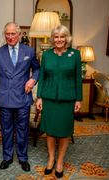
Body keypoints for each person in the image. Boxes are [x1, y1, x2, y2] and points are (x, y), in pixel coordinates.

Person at [0, 22, 40, 172]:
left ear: (19, 35)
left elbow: (38, 69)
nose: (10, 37)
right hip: (5, 97)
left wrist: (33, 80)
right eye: (8, 34)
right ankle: (7, 157)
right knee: (6, 129)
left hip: (23, 97)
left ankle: (23, 157)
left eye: (13, 34)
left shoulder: (29, 51)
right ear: (5, 35)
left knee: (22, 129)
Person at [36, 25, 82, 178]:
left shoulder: (75, 54)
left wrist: (78, 99)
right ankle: (51, 159)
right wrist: (40, 97)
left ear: (67, 38)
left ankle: (60, 161)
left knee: (63, 132)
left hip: (67, 99)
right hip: (49, 98)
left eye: (62, 36)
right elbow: (42, 77)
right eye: (56, 37)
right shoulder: (46, 55)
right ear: (52, 39)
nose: (59, 39)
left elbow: (78, 78)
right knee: (50, 131)